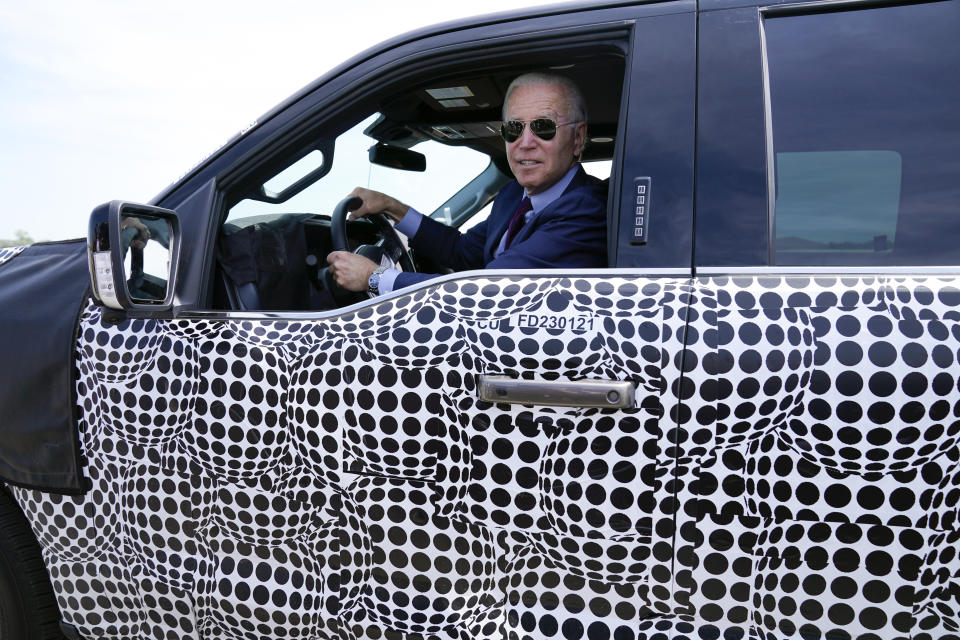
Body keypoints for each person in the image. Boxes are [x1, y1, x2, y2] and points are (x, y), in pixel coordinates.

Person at [326, 72, 607, 295]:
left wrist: (374, 278)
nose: (526, 143)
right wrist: (393, 208)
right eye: (514, 129)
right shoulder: (513, 196)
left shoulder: (586, 209)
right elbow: (463, 251)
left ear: (578, 139)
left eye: (543, 127)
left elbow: (485, 291)